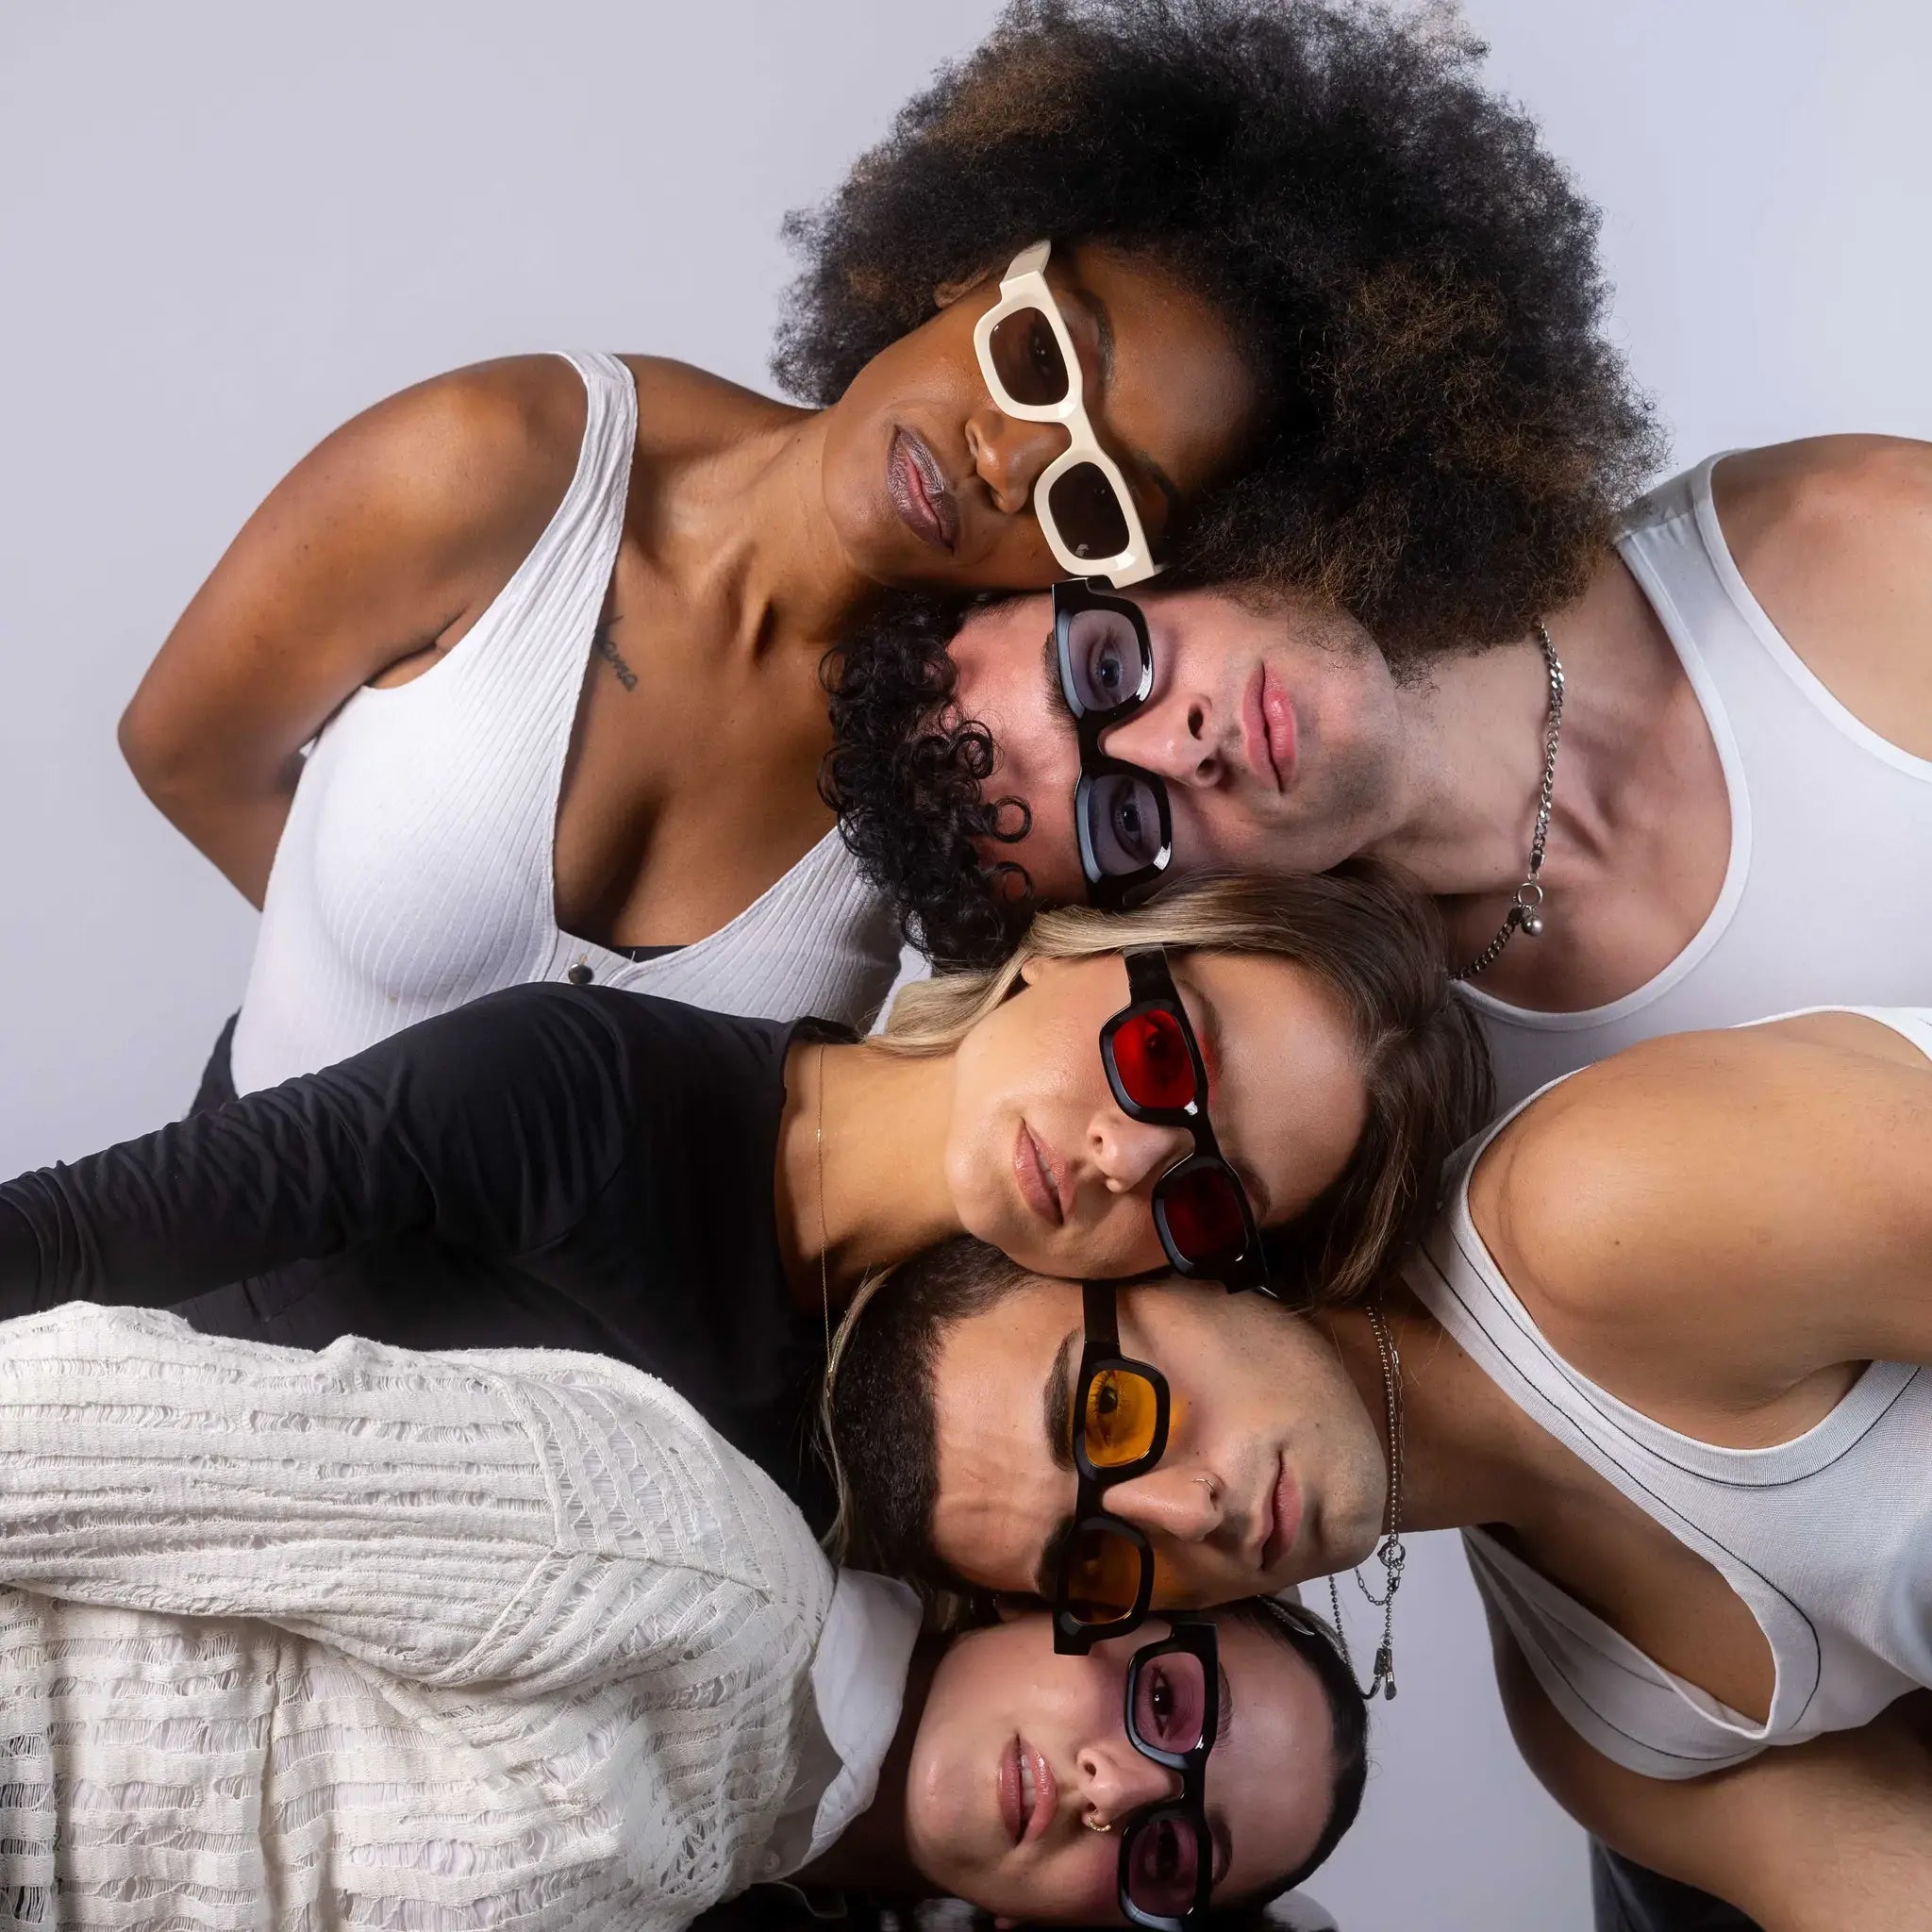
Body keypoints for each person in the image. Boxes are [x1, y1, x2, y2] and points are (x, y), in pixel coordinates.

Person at [118, 0, 1642, 1104]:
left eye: (1098, 494)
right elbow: (185, 749)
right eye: (1042, 353)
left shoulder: (1007, 788)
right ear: (976, 264)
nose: (1009, 448)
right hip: (237, 1262)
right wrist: (366, 990)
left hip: (619, 1437)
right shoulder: (500, 465)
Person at [823, 1004, 1932, 1927]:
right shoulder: (1600, 1724)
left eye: (1107, 1411)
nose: (1187, 1505)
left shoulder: (1592, 1212)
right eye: (1096, 1553)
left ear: (1156, 1259)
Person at [0, 870, 1489, 1522]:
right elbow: (69, 1236)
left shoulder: (928, 1430)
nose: (1129, 1155)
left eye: (1207, 1199)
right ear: (1079, 946)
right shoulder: (584, 1093)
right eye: (1164, 1054)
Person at [0, 1300, 1366, 1929]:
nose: (1112, 1792)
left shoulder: (729, 1856)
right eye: (1167, 1709)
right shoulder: (700, 1566)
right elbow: (68, 1418)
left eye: (1173, 1857)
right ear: (1061, 1599)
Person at [841, 436, 1932, 1105]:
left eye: (1107, 665)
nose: (1181, 744)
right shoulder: (1445, 1116)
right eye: (1124, 820)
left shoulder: (1835, 546)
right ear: (1173, 905)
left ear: (1158, 557)